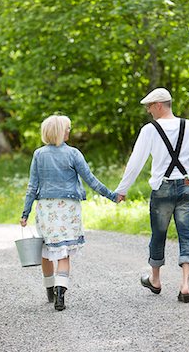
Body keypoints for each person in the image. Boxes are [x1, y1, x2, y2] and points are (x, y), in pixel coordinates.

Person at [115, 88, 189, 303]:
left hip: (162, 189)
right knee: (186, 235)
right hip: (187, 188)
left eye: (149, 107)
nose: (149, 111)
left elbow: (136, 162)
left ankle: (156, 280)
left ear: (159, 105)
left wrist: (122, 189)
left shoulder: (150, 130)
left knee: (158, 235)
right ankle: (185, 286)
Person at [20, 115, 122, 311]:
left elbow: (32, 187)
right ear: (59, 131)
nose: (69, 131)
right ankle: (60, 293)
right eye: (67, 128)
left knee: (47, 250)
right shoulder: (73, 153)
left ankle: (50, 289)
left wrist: (25, 213)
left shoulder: (39, 155)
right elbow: (91, 180)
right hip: (68, 209)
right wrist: (112, 196)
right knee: (63, 252)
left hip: (46, 209)